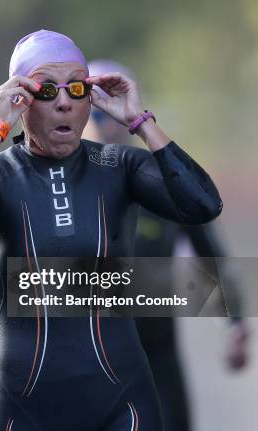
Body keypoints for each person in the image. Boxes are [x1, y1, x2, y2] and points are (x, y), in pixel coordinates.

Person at [0, 30, 222, 430]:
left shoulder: (120, 166)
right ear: (22, 98)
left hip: (124, 405)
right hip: (27, 409)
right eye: (47, 89)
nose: (65, 102)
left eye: (78, 87)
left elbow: (204, 204)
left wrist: (140, 121)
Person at [86, 59, 250, 431]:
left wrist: (235, 323)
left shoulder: (161, 181)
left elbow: (209, 252)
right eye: (93, 113)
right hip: (94, 359)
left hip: (157, 352)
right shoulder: (62, 187)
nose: (103, 122)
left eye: (107, 109)